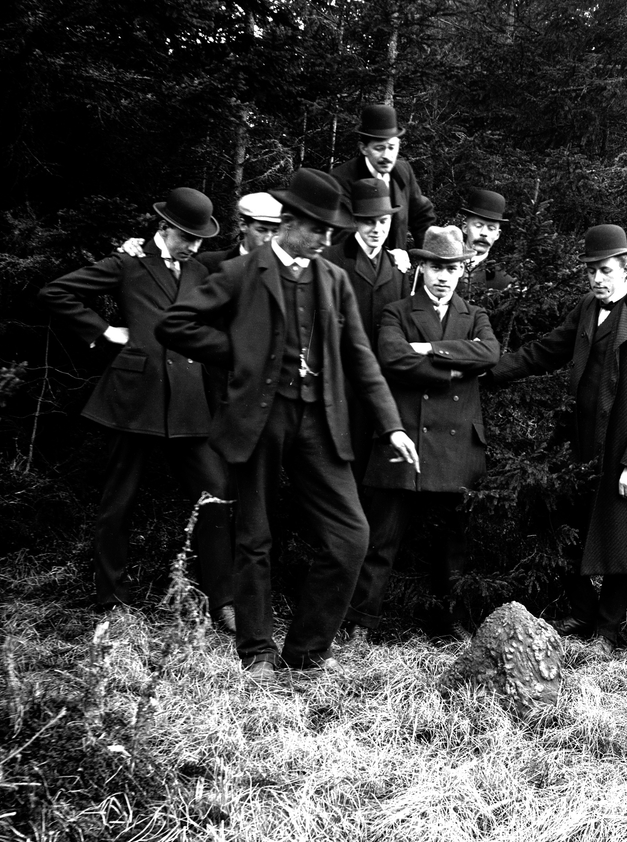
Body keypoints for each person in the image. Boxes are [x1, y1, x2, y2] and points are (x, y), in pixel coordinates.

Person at [154, 168, 419, 677]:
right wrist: (241, 353)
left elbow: (361, 358)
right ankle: (257, 652)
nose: (325, 239)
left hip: (321, 421)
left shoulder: (333, 279)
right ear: (289, 222)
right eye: (318, 229)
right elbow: (175, 324)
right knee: (254, 537)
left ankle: (306, 652)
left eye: (331, 231)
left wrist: (392, 425)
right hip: (258, 419)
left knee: (351, 536)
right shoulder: (242, 272)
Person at [37, 188, 235, 631]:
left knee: (216, 496)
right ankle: (112, 602)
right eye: (187, 237)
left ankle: (223, 602)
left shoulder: (200, 268)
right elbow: (57, 291)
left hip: (188, 403)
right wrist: (105, 331)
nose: (194, 246)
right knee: (118, 504)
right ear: (165, 227)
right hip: (134, 399)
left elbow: (246, 255)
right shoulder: (128, 262)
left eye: (200, 239)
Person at [490, 224, 627, 657]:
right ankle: (583, 611)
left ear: (626, 268)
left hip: (623, 448)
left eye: (605, 270)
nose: (597, 278)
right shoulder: (586, 308)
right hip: (580, 446)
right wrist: (492, 372)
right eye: (591, 270)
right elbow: (547, 350)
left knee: (620, 536)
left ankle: (608, 631)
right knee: (561, 526)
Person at [344, 226, 500, 642]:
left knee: (453, 545)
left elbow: (489, 353)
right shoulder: (396, 311)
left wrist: (428, 349)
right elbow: (391, 356)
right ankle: (360, 623)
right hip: (406, 437)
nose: (444, 276)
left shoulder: (475, 315)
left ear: (462, 270)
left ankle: (448, 624)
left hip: (457, 445)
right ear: (422, 268)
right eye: (436, 267)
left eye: (452, 268)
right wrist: (453, 368)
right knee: (381, 540)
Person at [323, 178, 409, 482]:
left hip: (381, 383)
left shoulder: (397, 266)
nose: (377, 229)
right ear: (356, 222)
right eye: (368, 221)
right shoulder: (331, 260)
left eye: (383, 221)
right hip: (341, 381)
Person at [330, 104, 436, 251]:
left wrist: (430, 257)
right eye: (379, 148)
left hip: (398, 263)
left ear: (398, 145)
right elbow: (342, 236)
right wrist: (385, 258)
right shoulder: (340, 180)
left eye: (391, 147)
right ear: (363, 148)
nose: (387, 156)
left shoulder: (403, 171)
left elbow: (422, 215)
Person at [196, 192, 283, 270]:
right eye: (261, 230)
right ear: (243, 225)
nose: (268, 239)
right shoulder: (209, 263)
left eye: (275, 231)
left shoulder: (284, 269)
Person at [458, 188, 515, 301]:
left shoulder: (504, 283)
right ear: (465, 228)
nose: (484, 233)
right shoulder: (442, 267)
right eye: (478, 226)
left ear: (497, 235)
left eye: (491, 228)